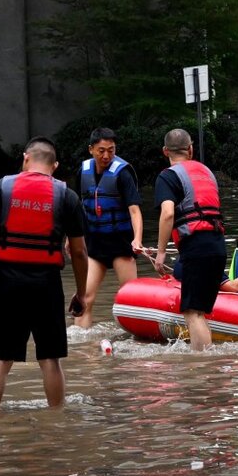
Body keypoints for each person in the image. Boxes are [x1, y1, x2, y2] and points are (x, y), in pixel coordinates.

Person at [0, 137, 88, 418]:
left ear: (26, 158)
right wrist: (81, 292)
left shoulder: (4, 187)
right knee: (50, 359)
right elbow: (79, 252)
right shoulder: (67, 196)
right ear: (55, 165)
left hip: (7, 281)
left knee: (1, 359)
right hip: (46, 283)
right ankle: (56, 422)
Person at [151, 128, 226, 351]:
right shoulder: (207, 173)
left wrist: (161, 252)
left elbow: (168, 213)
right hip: (218, 245)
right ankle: (208, 363)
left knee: (192, 313)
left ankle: (202, 370)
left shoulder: (168, 176)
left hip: (196, 247)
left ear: (165, 151)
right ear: (191, 149)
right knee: (200, 312)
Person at [74, 127, 143, 328]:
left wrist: (137, 238)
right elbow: (78, 209)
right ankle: (83, 347)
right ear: (91, 149)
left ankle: (135, 344)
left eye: (111, 150)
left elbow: (135, 211)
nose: (106, 156)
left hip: (121, 243)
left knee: (130, 299)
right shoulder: (83, 171)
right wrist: (71, 239)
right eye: (101, 150)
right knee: (84, 297)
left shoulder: (122, 174)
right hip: (95, 244)